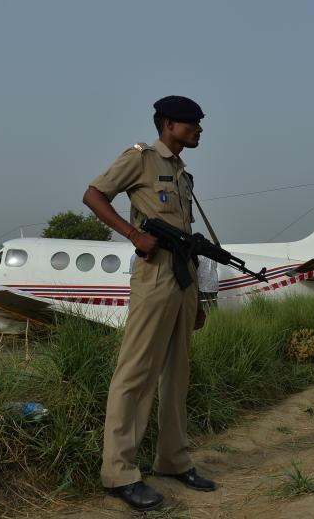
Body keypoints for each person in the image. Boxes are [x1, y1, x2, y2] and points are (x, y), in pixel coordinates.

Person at [83, 95, 215, 512]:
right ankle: (119, 472)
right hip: (153, 276)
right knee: (136, 373)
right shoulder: (140, 158)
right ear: (170, 124)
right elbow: (93, 194)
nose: (199, 130)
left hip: (182, 278)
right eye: (193, 123)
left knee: (177, 374)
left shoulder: (180, 171)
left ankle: (173, 460)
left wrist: (195, 298)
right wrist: (133, 235)